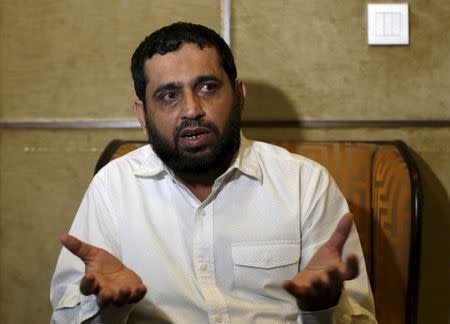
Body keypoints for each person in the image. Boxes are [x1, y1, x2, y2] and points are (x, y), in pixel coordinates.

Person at [50, 22, 376, 323]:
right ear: (143, 115)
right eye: (169, 95)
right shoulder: (113, 188)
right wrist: (105, 306)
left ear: (239, 96)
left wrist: (322, 307)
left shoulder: (306, 184)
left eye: (207, 87)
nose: (192, 110)